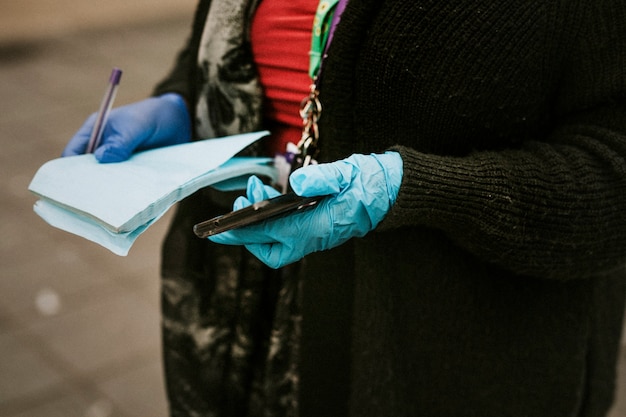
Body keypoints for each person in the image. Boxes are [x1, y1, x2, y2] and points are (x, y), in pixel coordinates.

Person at [62, 0, 626, 416]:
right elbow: (225, 46)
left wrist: (415, 189)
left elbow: (610, 170)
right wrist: (183, 100)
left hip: (443, 363)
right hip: (237, 335)